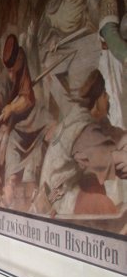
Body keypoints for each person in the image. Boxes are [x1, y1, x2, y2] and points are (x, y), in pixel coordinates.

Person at [35, 69, 126, 216]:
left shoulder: (87, 114)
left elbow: (112, 133)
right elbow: (105, 158)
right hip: (58, 200)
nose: (108, 97)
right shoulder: (82, 127)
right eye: (104, 94)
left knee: (95, 184)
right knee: (102, 206)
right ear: (96, 102)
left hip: (70, 186)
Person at [0, 34, 46, 209]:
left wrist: (11, 108)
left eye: (12, 70)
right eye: (8, 70)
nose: (11, 74)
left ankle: (9, 184)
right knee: (0, 142)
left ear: (18, 57)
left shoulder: (26, 63)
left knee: (10, 141)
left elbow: (28, 100)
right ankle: (5, 185)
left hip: (31, 120)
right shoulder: (6, 74)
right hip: (14, 124)